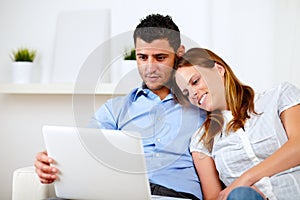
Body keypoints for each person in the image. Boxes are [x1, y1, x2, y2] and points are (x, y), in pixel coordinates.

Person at [34, 14, 206, 200]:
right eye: (142, 57)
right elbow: (83, 152)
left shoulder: (201, 104)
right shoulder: (114, 109)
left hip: (174, 194)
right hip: (118, 193)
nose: (150, 67)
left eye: (160, 57)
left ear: (179, 53)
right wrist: (50, 161)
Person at [172, 47, 300, 200]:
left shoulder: (278, 96)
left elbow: (297, 146)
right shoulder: (202, 140)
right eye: (186, 93)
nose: (192, 94)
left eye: (195, 81)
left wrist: (245, 180)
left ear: (219, 69)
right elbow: (214, 197)